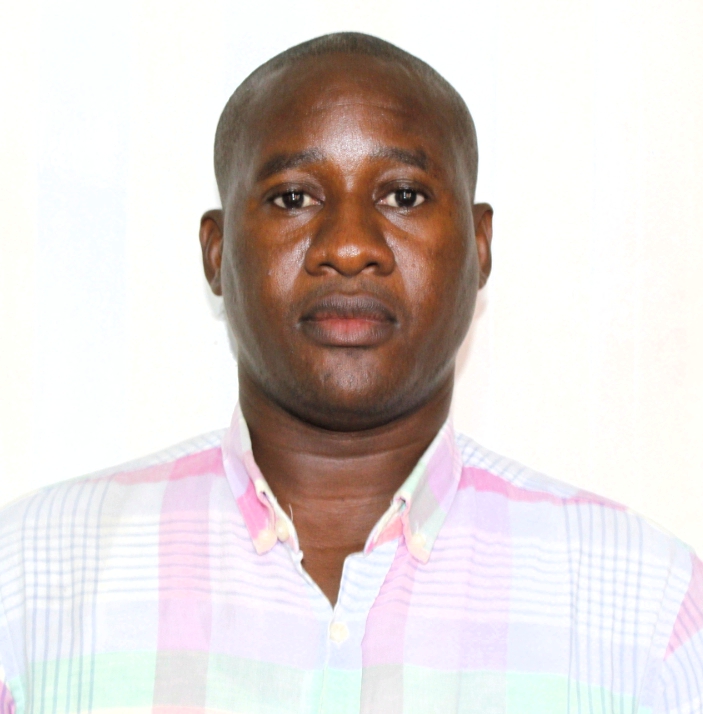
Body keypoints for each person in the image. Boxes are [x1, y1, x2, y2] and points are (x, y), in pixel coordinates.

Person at [0, 31, 701, 714]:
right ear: (217, 251)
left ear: (479, 245)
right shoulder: (28, 581)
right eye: (293, 198)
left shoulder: (647, 610)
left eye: (403, 196)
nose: (348, 246)